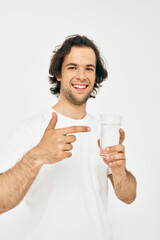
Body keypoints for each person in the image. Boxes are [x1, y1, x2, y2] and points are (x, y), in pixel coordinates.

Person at [0, 35, 137, 240]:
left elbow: (129, 196)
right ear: (58, 73)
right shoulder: (30, 129)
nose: (81, 75)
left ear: (95, 76)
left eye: (89, 68)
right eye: (73, 67)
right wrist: (37, 156)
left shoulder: (104, 131)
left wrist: (119, 170)